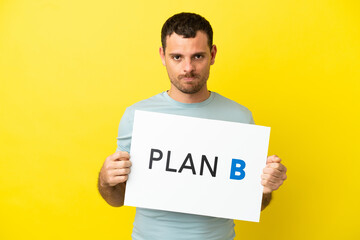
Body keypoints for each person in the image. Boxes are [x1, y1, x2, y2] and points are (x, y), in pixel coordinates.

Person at [98, 12, 287, 240]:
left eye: (197, 56)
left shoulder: (239, 117)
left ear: (213, 54)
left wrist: (266, 188)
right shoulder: (137, 116)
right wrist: (106, 180)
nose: (188, 68)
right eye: (177, 57)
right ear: (162, 55)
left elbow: (253, 204)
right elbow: (117, 199)